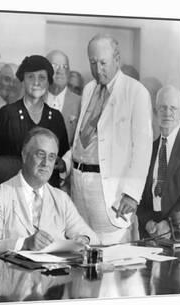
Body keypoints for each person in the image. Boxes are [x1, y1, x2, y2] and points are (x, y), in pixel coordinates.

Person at [62, 34, 152, 245]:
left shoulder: (136, 92)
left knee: (111, 254)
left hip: (109, 190)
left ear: (117, 59)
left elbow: (143, 148)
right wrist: (66, 163)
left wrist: (131, 194)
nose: (97, 69)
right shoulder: (88, 89)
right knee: (81, 246)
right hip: (79, 184)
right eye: (93, 63)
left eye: (103, 63)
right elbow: (82, 138)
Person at [0, 127, 98, 255]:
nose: (46, 163)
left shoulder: (61, 198)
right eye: (40, 154)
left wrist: (84, 240)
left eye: (52, 157)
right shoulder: (0, 196)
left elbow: (93, 239)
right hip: (13, 273)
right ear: (24, 156)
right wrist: (24, 244)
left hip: (54, 273)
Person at [0, 55, 69, 187]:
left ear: (49, 82)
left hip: (47, 191)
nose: (36, 82)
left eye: (42, 78)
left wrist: (61, 164)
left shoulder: (56, 117)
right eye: (31, 77)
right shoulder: (8, 113)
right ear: (23, 80)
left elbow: (62, 158)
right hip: (13, 188)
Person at [137, 86, 180, 240]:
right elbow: (140, 193)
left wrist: (169, 225)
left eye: (173, 108)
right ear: (155, 112)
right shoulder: (149, 148)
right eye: (162, 108)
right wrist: (147, 221)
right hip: (152, 235)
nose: (167, 113)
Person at [44, 50, 82, 143]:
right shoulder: (34, 100)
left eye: (64, 67)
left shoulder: (80, 103)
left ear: (68, 72)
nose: (60, 71)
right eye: (54, 66)